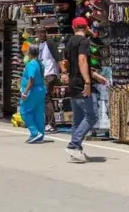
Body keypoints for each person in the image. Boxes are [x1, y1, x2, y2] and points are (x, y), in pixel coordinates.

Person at [65, 17, 107, 162]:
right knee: (92, 116)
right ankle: (74, 145)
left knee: (77, 120)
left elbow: (68, 63)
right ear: (87, 27)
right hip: (82, 84)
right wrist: (88, 82)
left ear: (73, 27)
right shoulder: (83, 42)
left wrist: (95, 75)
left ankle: (76, 151)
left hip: (73, 82)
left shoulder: (70, 42)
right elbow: (82, 61)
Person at [35, 25, 61, 133]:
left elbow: (58, 57)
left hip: (50, 73)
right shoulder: (39, 45)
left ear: (46, 33)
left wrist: (63, 72)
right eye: (39, 32)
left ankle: (51, 124)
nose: (40, 34)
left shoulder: (50, 43)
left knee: (45, 97)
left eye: (42, 32)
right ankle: (47, 123)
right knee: (44, 98)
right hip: (43, 75)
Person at [20, 44, 46, 143]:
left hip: (32, 90)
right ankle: (40, 134)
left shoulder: (31, 64)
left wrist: (25, 92)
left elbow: (31, 79)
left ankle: (35, 132)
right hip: (40, 89)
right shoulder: (40, 64)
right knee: (38, 113)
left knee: (24, 111)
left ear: (29, 53)